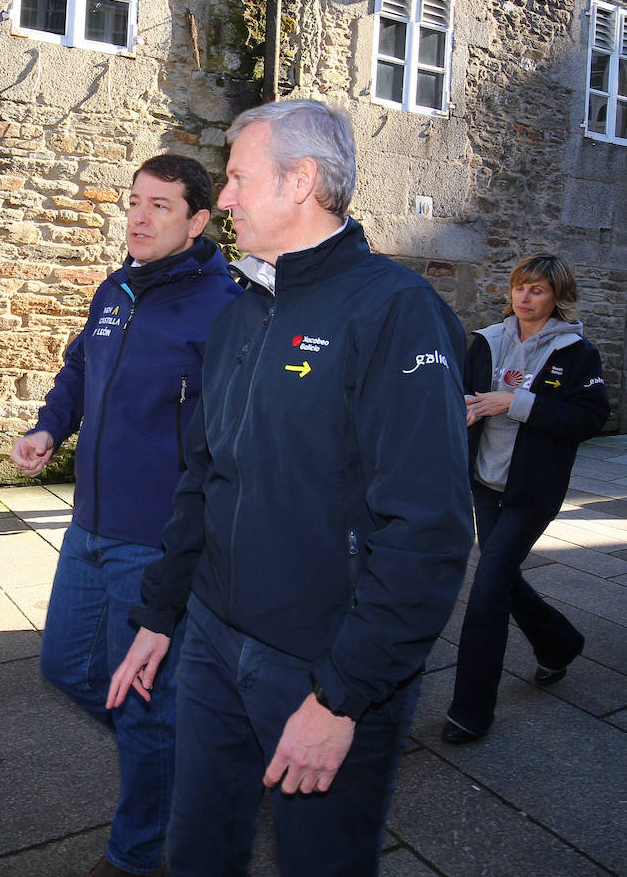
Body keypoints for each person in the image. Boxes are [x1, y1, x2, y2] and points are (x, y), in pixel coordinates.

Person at [107, 100, 474, 877]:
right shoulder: (244, 310)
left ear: (301, 180)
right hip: (211, 637)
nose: (227, 197)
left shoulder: (395, 311)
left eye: (238, 178)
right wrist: (161, 613)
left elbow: (428, 530)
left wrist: (342, 696)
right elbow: (204, 475)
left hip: (319, 664)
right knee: (199, 847)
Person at [10, 154, 240, 877]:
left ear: (198, 221)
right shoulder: (116, 288)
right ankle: (189, 763)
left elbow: (230, 440)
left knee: (140, 709)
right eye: (134, 202)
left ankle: (137, 855)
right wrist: (51, 426)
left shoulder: (224, 308)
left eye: (160, 206)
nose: (139, 218)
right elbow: (80, 368)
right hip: (88, 528)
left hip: (158, 543)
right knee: (67, 669)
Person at [441, 254, 608, 744]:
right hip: (485, 484)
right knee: (504, 578)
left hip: (532, 492)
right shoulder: (488, 342)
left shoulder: (577, 353)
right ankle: (559, 643)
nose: (524, 297)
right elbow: (462, 394)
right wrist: (467, 411)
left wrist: (517, 403)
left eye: (536, 290)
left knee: (488, 590)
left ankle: (470, 712)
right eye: (520, 287)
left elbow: (589, 418)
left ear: (557, 296)